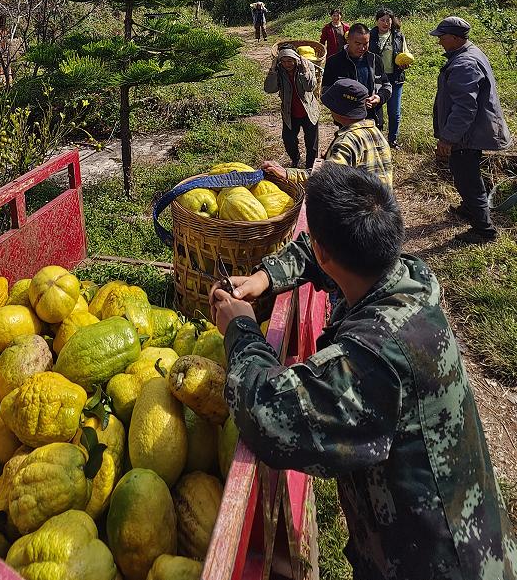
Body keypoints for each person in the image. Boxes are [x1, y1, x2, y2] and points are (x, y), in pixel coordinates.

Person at [209, 162, 517, 580]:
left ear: (326, 250)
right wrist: (267, 277)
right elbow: (321, 254)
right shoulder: (406, 277)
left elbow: (268, 414)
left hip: (438, 564)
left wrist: (240, 329)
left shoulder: (375, 361)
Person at [431, 16, 511, 244]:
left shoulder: (464, 63)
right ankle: (469, 208)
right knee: (465, 173)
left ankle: (483, 228)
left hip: (467, 134)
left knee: (467, 178)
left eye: (442, 37)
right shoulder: (469, 53)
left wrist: (448, 138)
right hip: (472, 131)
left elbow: (464, 108)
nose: (439, 42)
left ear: (456, 39)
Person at [263, 78, 392, 186]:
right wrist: (331, 157)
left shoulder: (346, 142)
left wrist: (287, 173)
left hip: (360, 213)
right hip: (384, 207)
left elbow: (325, 178)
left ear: (340, 110)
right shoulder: (375, 132)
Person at [322, 23, 391, 129]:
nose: (362, 48)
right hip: (347, 121)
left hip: (372, 119)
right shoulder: (334, 62)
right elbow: (326, 90)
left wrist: (378, 98)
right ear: (348, 40)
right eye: (358, 43)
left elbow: (386, 85)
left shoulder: (375, 60)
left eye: (365, 44)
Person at [265, 47, 319, 169]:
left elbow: (309, 87)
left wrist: (305, 71)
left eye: (290, 60)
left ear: (296, 59)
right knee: (288, 140)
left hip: (309, 112)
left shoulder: (307, 66)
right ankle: (295, 159)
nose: (286, 64)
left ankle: (311, 167)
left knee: (312, 144)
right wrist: (272, 71)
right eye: (283, 61)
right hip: (290, 112)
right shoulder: (279, 70)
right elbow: (269, 89)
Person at [369, 7, 411, 149]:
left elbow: (405, 53)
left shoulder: (398, 36)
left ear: (392, 22)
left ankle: (392, 140)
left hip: (395, 78)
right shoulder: (370, 35)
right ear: (377, 21)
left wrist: (405, 63)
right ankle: (377, 140)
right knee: (376, 111)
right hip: (376, 79)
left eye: (388, 20)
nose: (385, 23)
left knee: (394, 113)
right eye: (382, 20)